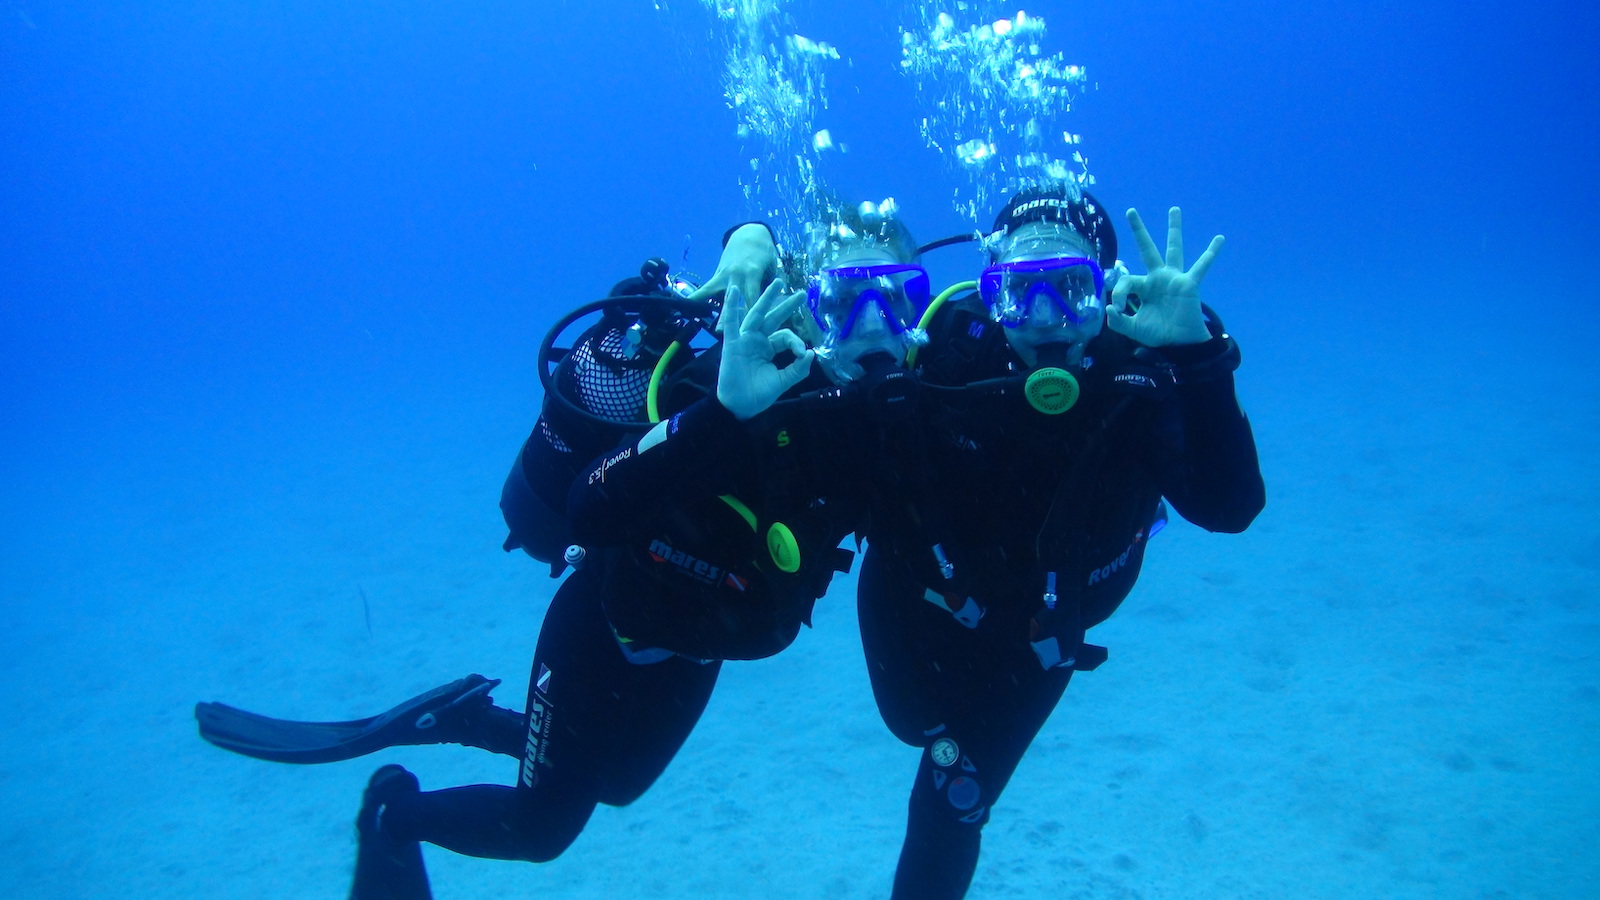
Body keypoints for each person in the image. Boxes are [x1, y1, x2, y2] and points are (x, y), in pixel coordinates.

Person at [195, 207, 934, 897]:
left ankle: (474, 723)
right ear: (809, 307)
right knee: (542, 826)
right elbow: (588, 505)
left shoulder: (895, 426)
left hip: (700, 646)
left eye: (895, 300)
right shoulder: (738, 383)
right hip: (605, 628)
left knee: (614, 786)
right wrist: (721, 413)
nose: (872, 331)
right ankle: (395, 812)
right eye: (846, 301)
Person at [855, 185, 1266, 899]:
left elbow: (1230, 508)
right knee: (910, 723)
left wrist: (1199, 361)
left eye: (1070, 291)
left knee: (948, 806)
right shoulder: (952, 349)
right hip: (919, 602)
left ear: (1105, 294)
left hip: (1041, 635)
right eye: (1019, 293)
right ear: (991, 296)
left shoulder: (1145, 364)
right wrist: (750, 245)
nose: (1043, 322)